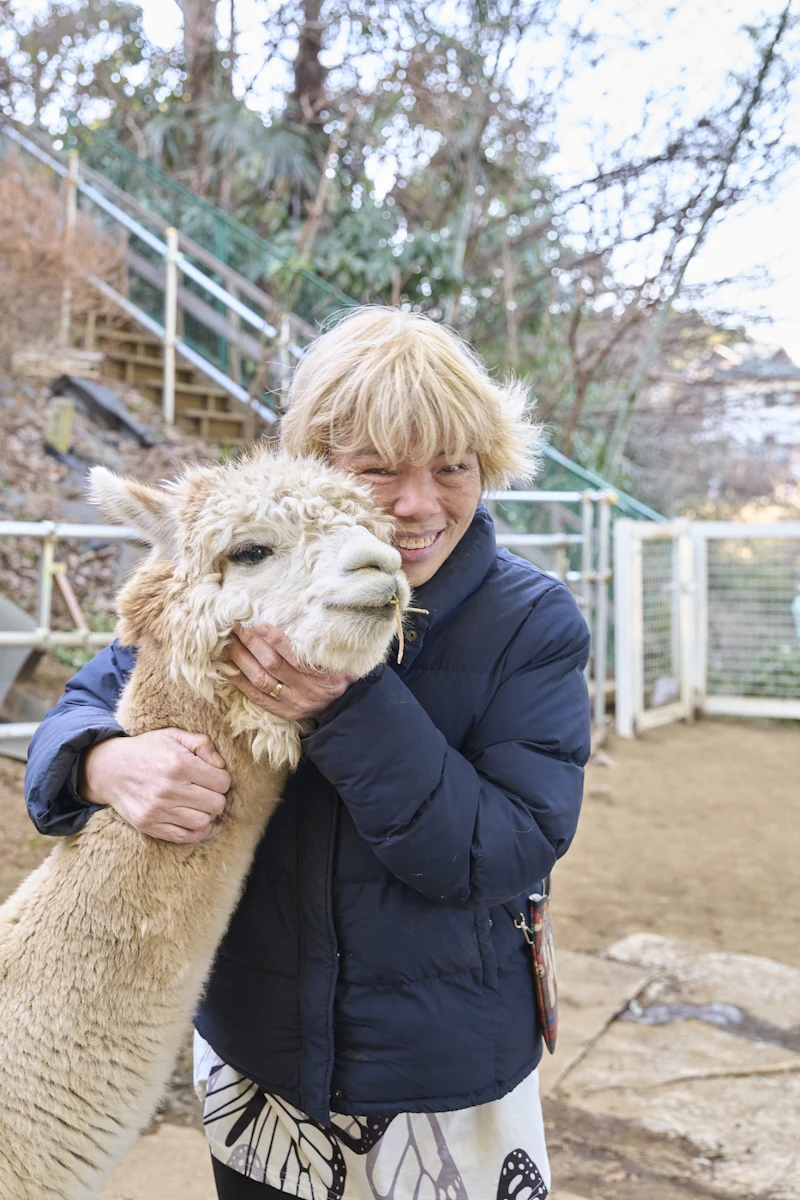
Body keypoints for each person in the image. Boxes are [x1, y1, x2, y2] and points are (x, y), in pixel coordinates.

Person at [25, 307, 591, 1200]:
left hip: (435, 1075)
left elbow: (505, 847)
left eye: (453, 468)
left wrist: (348, 705)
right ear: (320, 471)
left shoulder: (529, 623)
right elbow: (96, 696)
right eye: (377, 471)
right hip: (262, 1057)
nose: (418, 503)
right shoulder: (255, 589)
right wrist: (100, 761)